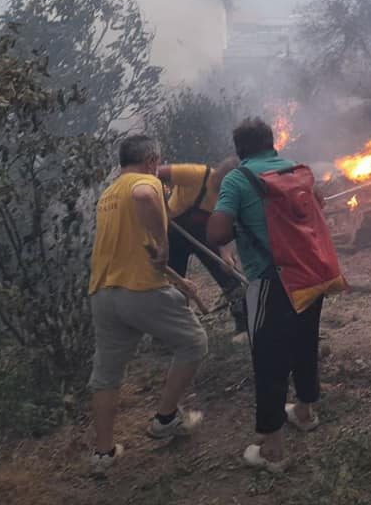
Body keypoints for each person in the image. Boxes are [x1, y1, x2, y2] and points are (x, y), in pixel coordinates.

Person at [207, 118, 330, 472]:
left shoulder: (237, 179)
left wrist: (239, 220)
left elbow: (216, 233)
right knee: (305, 342)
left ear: (240, 149)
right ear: (271, 142)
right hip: (311, 274)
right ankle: (305, 412)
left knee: (269, 359)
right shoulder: (297, 171)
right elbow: (318, 208)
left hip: (270, 281)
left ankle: (273, 449)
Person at [88, 134, 208, 475]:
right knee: (194, 343)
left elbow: (136, 250)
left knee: (107, 374)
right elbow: (146, 205)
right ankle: (165, 419)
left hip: (103, 293)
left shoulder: (108, 195)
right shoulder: (144, 183)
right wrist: (164, 241)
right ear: (153, 161)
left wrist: (177, 279)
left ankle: (103, 454)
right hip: (139, 291)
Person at [158, 157, 248, 337]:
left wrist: (226, 255)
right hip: (175, 233)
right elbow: (154, 174)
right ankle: (168, 334)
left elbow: (224, 230)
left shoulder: (228, 196)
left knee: (230, 278)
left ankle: (244, 325)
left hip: (205, 236)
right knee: (173, 286)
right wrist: (160, 208)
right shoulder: (197, 174)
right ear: (222, 175)